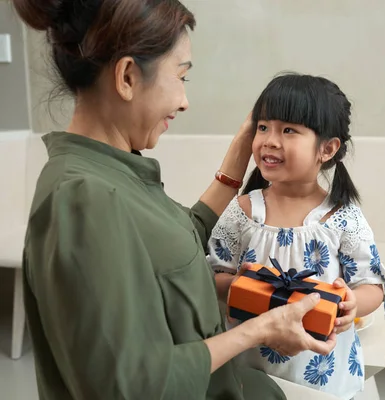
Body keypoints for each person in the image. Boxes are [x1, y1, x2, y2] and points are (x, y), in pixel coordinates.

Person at [13, 1, 336, 399]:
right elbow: (128, 386)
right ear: (128, 77)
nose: (184, 101)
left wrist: (237, 156)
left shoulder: (116, 172)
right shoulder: (82, 200)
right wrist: (259, 330)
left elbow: (185, 235)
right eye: (181, 77)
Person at [207, 73, 385, 400]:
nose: (270, 140)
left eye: (288, 130)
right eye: (263, 127)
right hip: (250, 367)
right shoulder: (242, 211)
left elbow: (372, 285)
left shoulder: (341, 217)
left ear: (327, 149)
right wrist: (237, 284)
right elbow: (212, 275)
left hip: (320, 374)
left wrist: (352, 305)